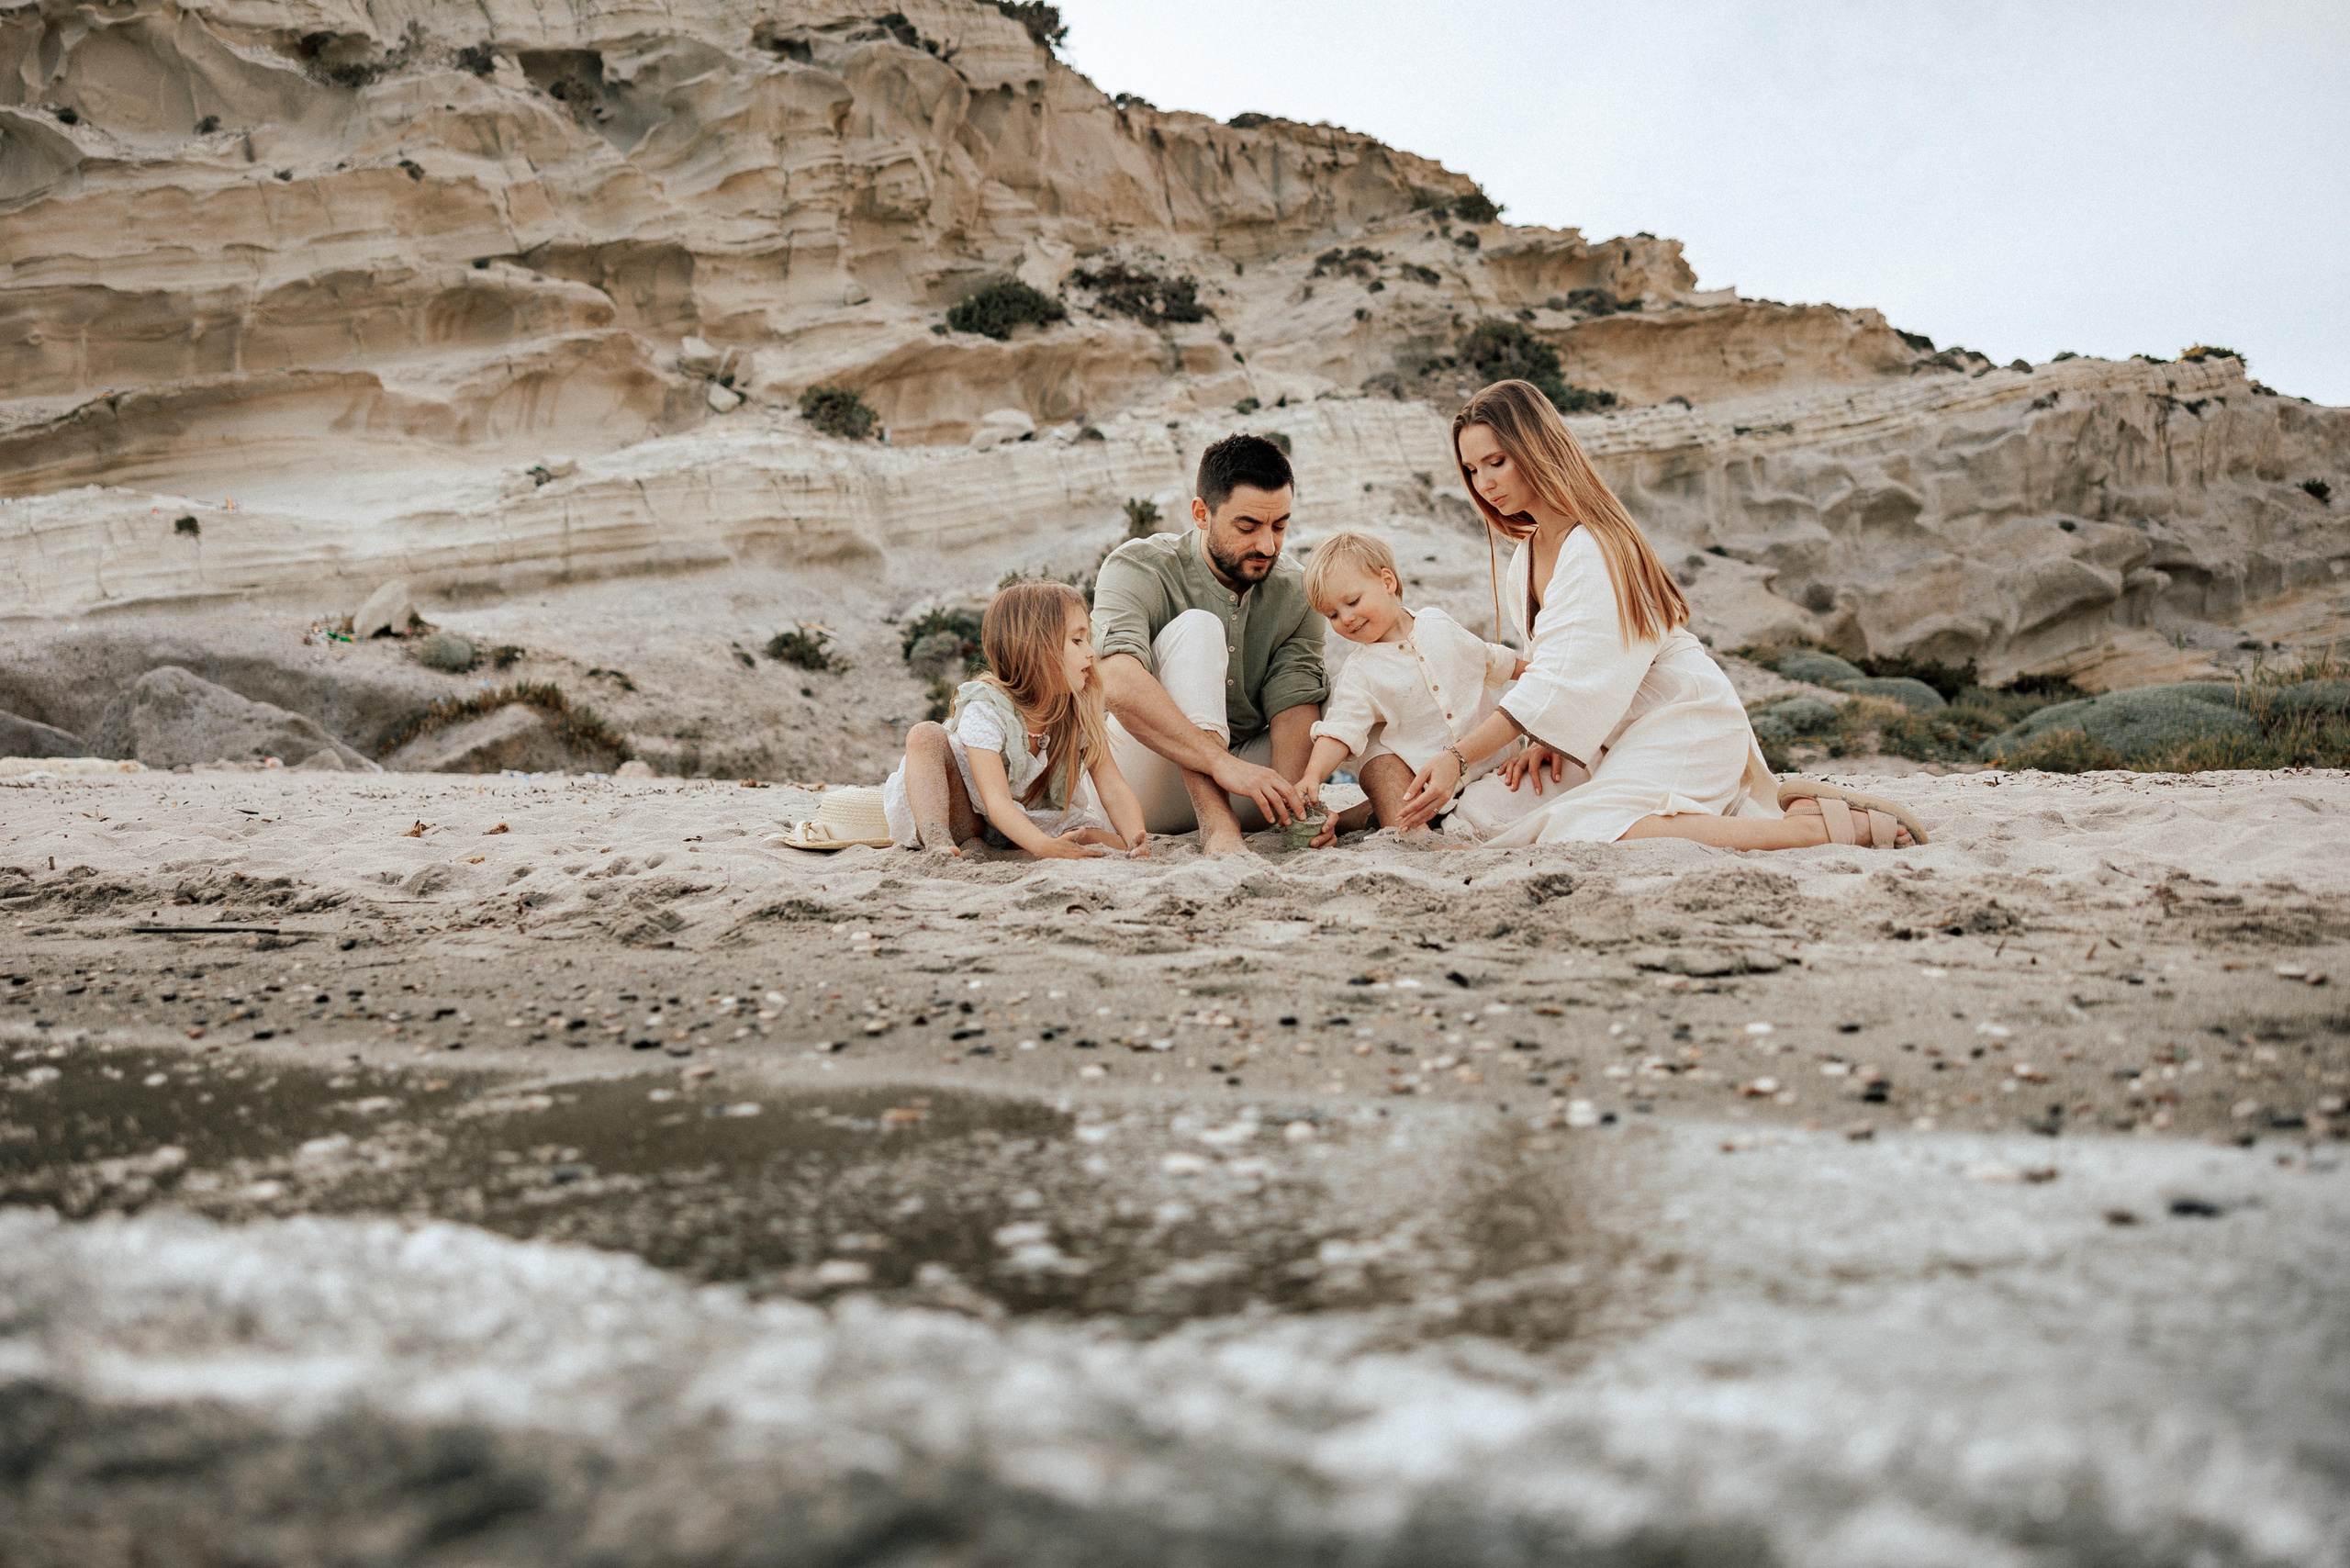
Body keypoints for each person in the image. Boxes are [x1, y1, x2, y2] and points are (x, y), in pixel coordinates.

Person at [1394, 379, 1926, 851]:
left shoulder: (1594, 545)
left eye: (1497, 461)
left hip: (1680, 718)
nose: (1484, 482)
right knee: (1483, 815)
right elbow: (1553, 669)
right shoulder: (1526, 559)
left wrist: (1457, 758)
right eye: (1471, 469)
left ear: (1536, 449)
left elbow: (1561, 681)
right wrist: (1543, 740)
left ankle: (1811, 832)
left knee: (1592, 828)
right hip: (1606, 731)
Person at [1091, 433, 1328, 857]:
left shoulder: (1297, 590)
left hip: (1249, 788)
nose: (1267, 545)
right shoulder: (1138, 566)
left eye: (1279, 526)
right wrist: (1221, 764)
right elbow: (1116, 683)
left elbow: (1294, 705)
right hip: (1137, 789)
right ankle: (1218, 826)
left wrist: (1295, 808)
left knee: (1355, 688)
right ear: (1202, 513)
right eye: (1247, 526)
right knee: (1198, 628)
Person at [1292, 529, 1529, 844]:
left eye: (1352, 602)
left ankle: (1366, 816)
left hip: (1495, 766)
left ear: (1387, 582)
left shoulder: (1437, 624)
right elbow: (1341, 729)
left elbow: (1492, 661)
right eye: (1332, 615)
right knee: (1404, 818)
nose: (1346, 619)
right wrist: (1313, 775)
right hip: (1425, 791)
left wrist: (1543, 673)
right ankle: (1389, 823)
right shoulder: (1361, 673)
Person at [881, 580, 1149, 858]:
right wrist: (1044, 847)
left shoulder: (1074, 710)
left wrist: (1134, 838)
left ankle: (993, 849)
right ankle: (939, 841)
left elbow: (1113, 786)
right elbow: (995, 802)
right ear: (1037, 648)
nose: (1091, 652)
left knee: (1102, 842)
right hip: (967, 813)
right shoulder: (988, 709)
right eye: (1077, 640)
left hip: (1023, 820)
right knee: (925, 735)